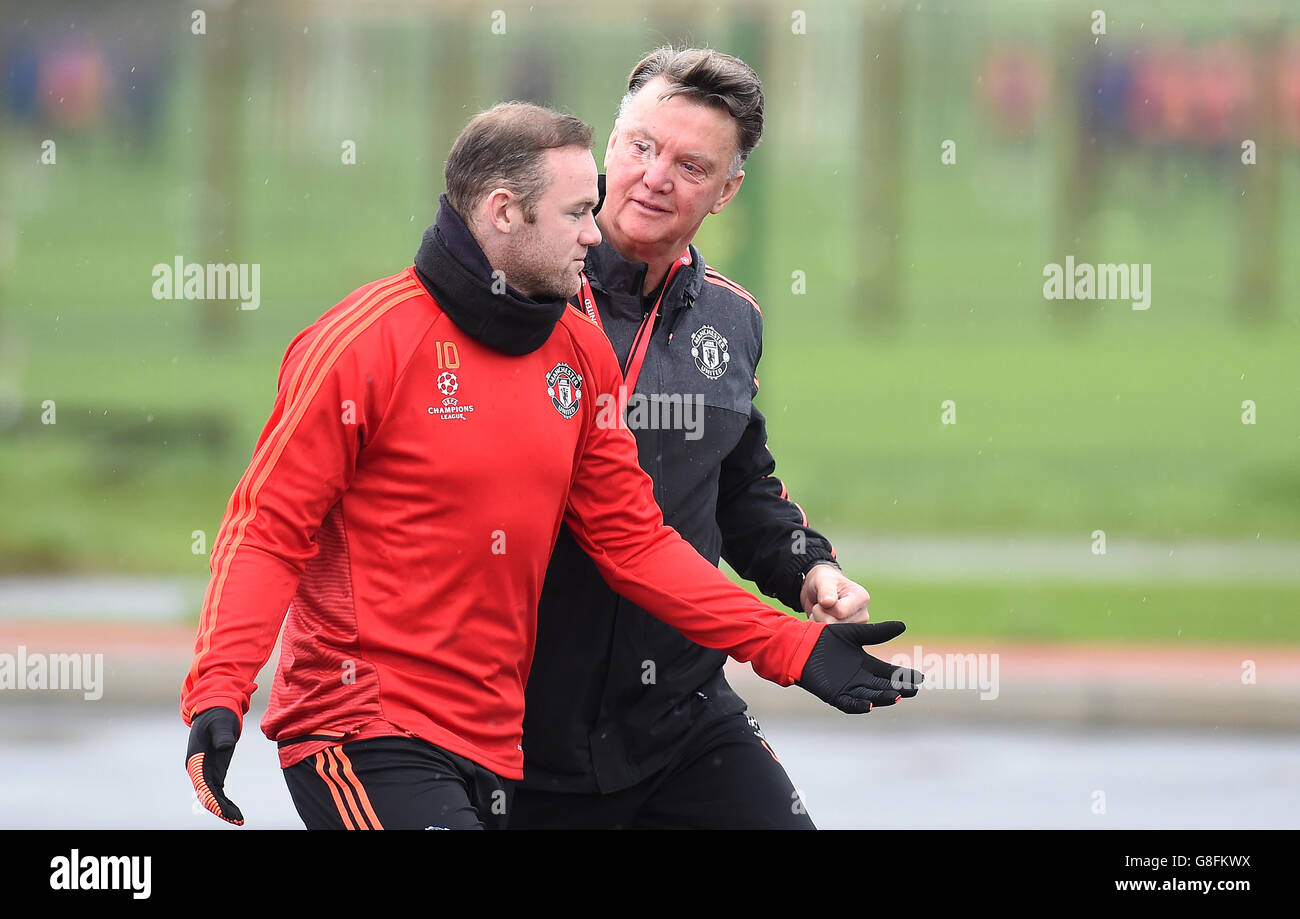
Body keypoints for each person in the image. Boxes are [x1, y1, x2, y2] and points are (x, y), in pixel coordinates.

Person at [180, 102, 921, 830]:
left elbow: (637, 544)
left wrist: (795, 646)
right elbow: (268, 531)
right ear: (504, 212)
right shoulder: (361, 343)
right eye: (576, 214)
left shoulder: (577, 351)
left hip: (499, 744)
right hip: (362, 728)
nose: (594, 233)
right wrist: (220, 689)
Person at [514, 48, 889, 829]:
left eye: (691, 165)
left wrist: (810, 570)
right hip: (515, 725)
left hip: (679, 718)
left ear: (727, 191)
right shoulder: (517, 294)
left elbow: (742, 484)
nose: (655, 177)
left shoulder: (733, 316)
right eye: (642, 147)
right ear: (608, 147)